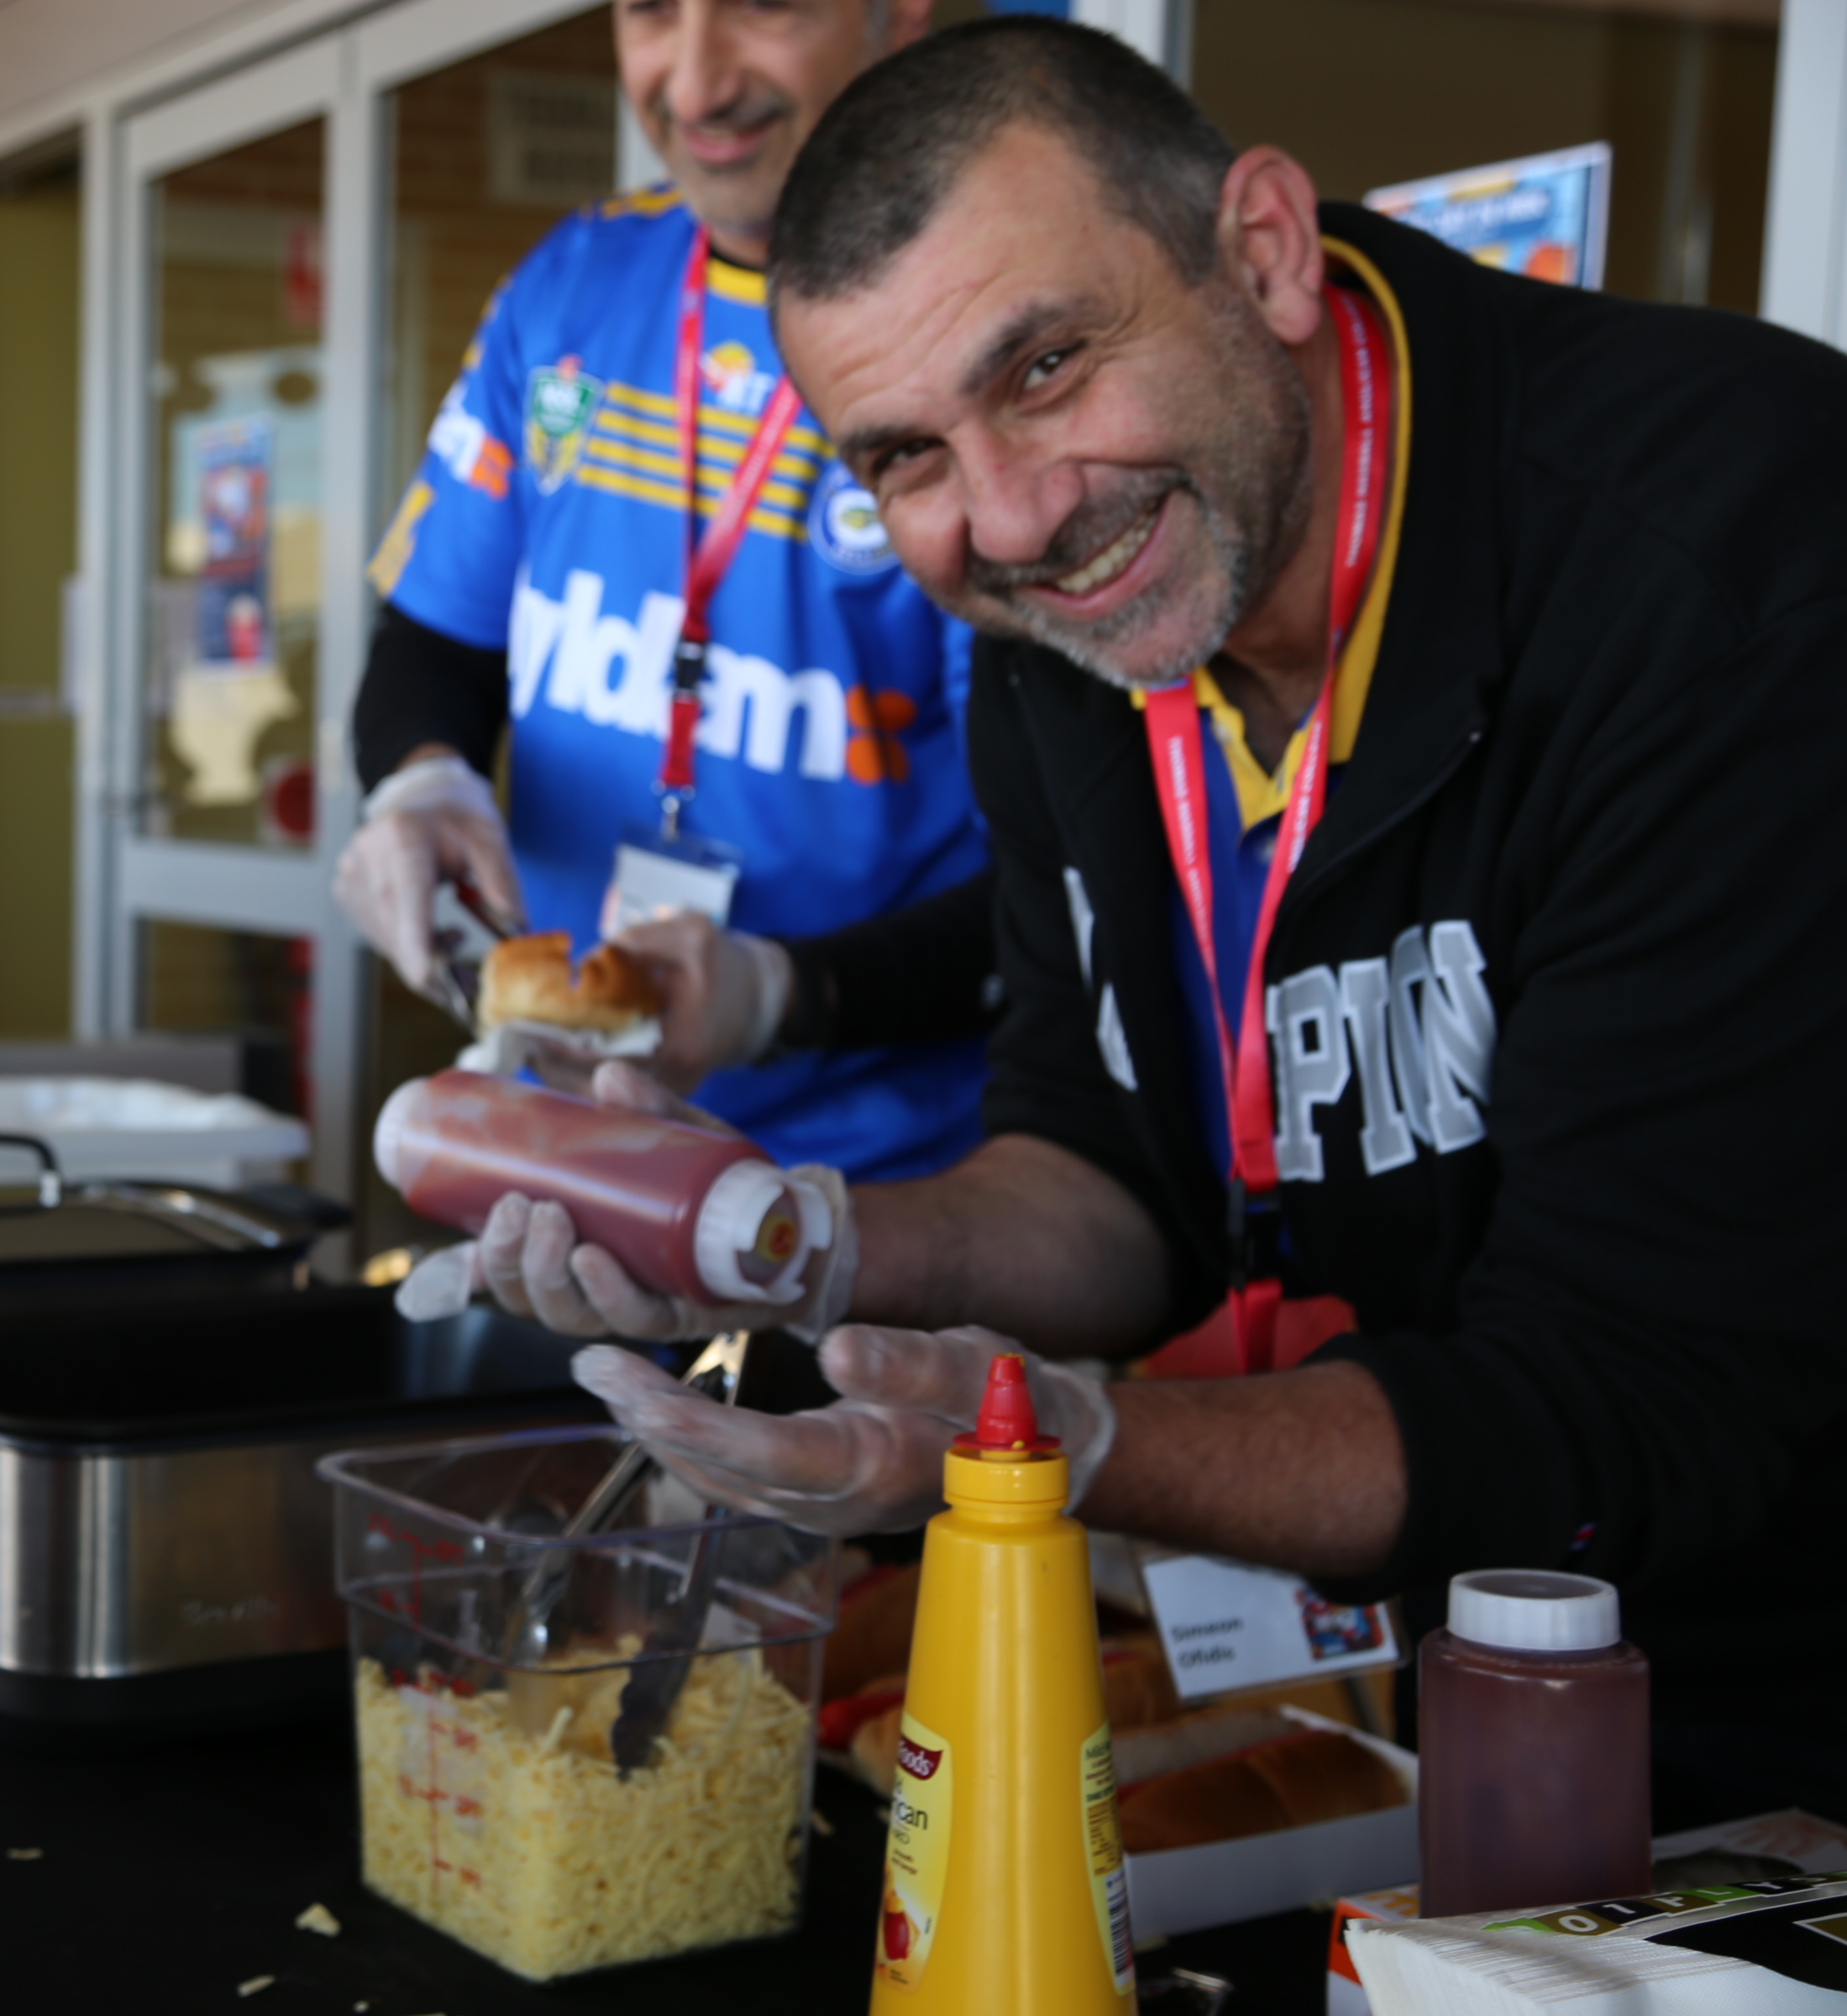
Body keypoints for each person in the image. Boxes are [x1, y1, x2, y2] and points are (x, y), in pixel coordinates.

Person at [482, 17, 1847, 1825]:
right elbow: (1106, 1171)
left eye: (1045, 364)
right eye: (902, 455)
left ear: (1262, 250)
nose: (1012, 517)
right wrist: (790, 1241)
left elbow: (1636, 1383)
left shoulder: (1725, 549)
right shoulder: (1068, 626)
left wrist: (1047, 1442)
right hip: (1451, 1693)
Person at [337, 0, 999, 1180]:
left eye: (762, 6)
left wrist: (781, 995)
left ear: (899, 17)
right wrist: (420, 780)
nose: (692, 87)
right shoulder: (573, 282)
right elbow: (434, 638)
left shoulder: (979, 338)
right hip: (567, 1151)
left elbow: (1065, 887)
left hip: (888, 1200)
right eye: (650, 9)